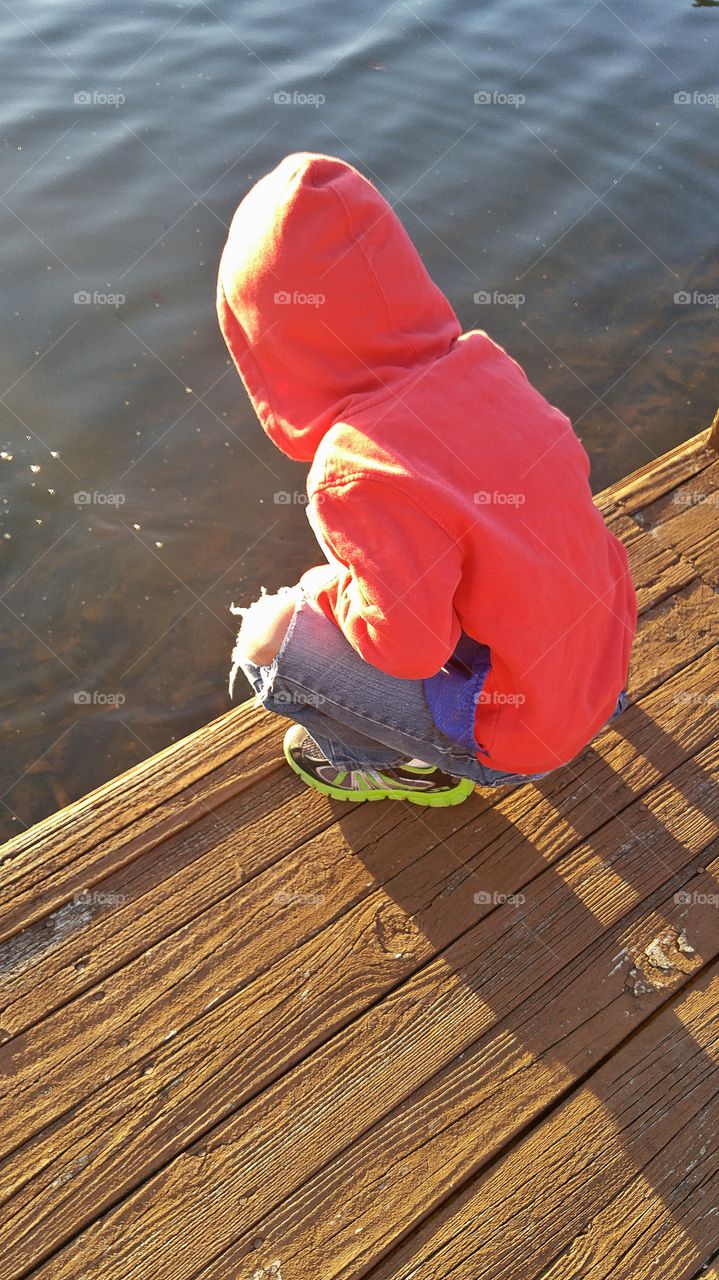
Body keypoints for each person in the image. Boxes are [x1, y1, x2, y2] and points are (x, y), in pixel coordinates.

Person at [216, 151, 636, 807]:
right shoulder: (488, 368)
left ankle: (388, 763)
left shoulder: (356, 468)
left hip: (525, 735)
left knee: (268, 639)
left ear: (265, 341)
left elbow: (405, 650)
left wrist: (324, 589)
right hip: (600, 674)